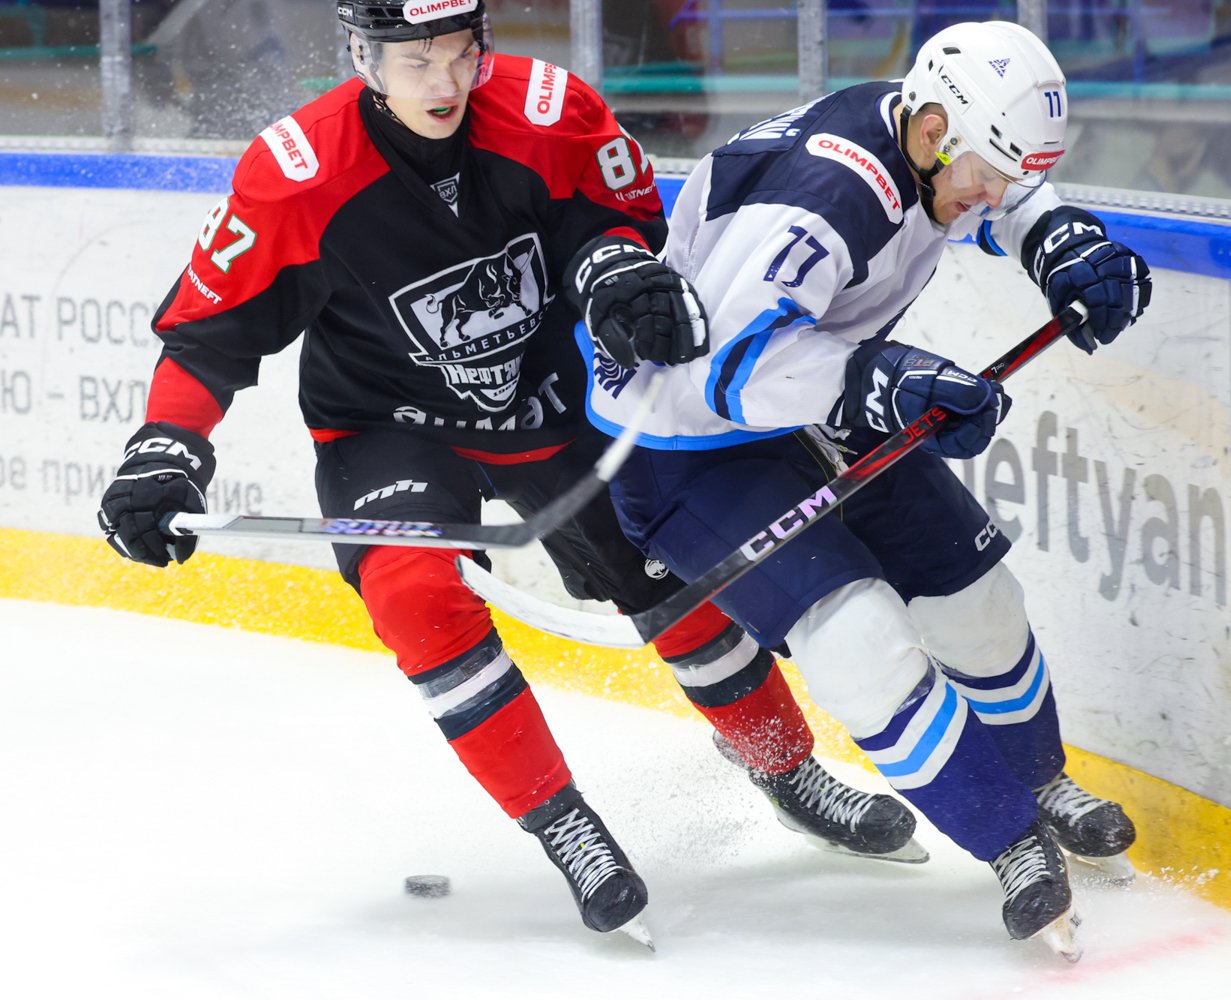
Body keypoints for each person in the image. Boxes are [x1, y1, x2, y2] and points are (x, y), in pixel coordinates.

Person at [95, 0, 920, 947]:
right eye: (416, 62)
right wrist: (166, 447)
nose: (445, 81)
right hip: (387, 425)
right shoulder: (295, 173)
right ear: (362, 55)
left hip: (556, 399)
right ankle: (567, 827)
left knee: (674, 576)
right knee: (412, 592)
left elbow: (622, 227)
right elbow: (208, 340)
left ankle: (785, 770)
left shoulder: (550, 112)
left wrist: (615, 273)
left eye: (460, 53)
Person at [577, 21, 1152, 955]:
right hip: (689, 440)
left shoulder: (936, 135)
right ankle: (1011, 842)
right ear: (930, 132)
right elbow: (726, 372)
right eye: (987, 178)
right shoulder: (822, 202)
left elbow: (1002, 181)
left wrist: (1057, 237)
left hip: (816, 391)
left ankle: (1040, 780)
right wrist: (879, 380)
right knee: (859, 643)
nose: (993, 197)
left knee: (978, 602)